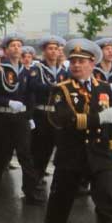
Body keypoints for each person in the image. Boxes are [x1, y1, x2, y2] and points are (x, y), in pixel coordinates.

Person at [40, 39, 112, 223]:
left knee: (107, 199)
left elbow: (110, 124)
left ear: (92, 64)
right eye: (73, 61)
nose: (76, 65)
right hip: (73, 153)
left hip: (99, 153)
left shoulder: (103, 87)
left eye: (81, 62)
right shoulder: (62, 89)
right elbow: (60, 119)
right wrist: (96, 118)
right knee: (61, 199)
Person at [0, 34, 38, 201]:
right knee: (0, 154)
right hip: (3, 117)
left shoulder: (25, 70)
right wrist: (8, 102)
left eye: (18, 45)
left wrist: (29, 115)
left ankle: (30, 192)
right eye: (13, 46)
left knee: (25, 155)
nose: (16, 48)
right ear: (5, 50)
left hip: (20, 118)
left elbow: (31, 95)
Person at [27, 36, 66, 203]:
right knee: (40, 153)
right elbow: (34, 86)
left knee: (63, 153)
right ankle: (33, 186)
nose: (54, 52)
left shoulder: (64, 71)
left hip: (59, 116)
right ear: (44, 51)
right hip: (42, 115)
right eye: (50, 49)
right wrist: (55, 88)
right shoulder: (38, 69)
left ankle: (61, 186)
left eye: (56, 49)